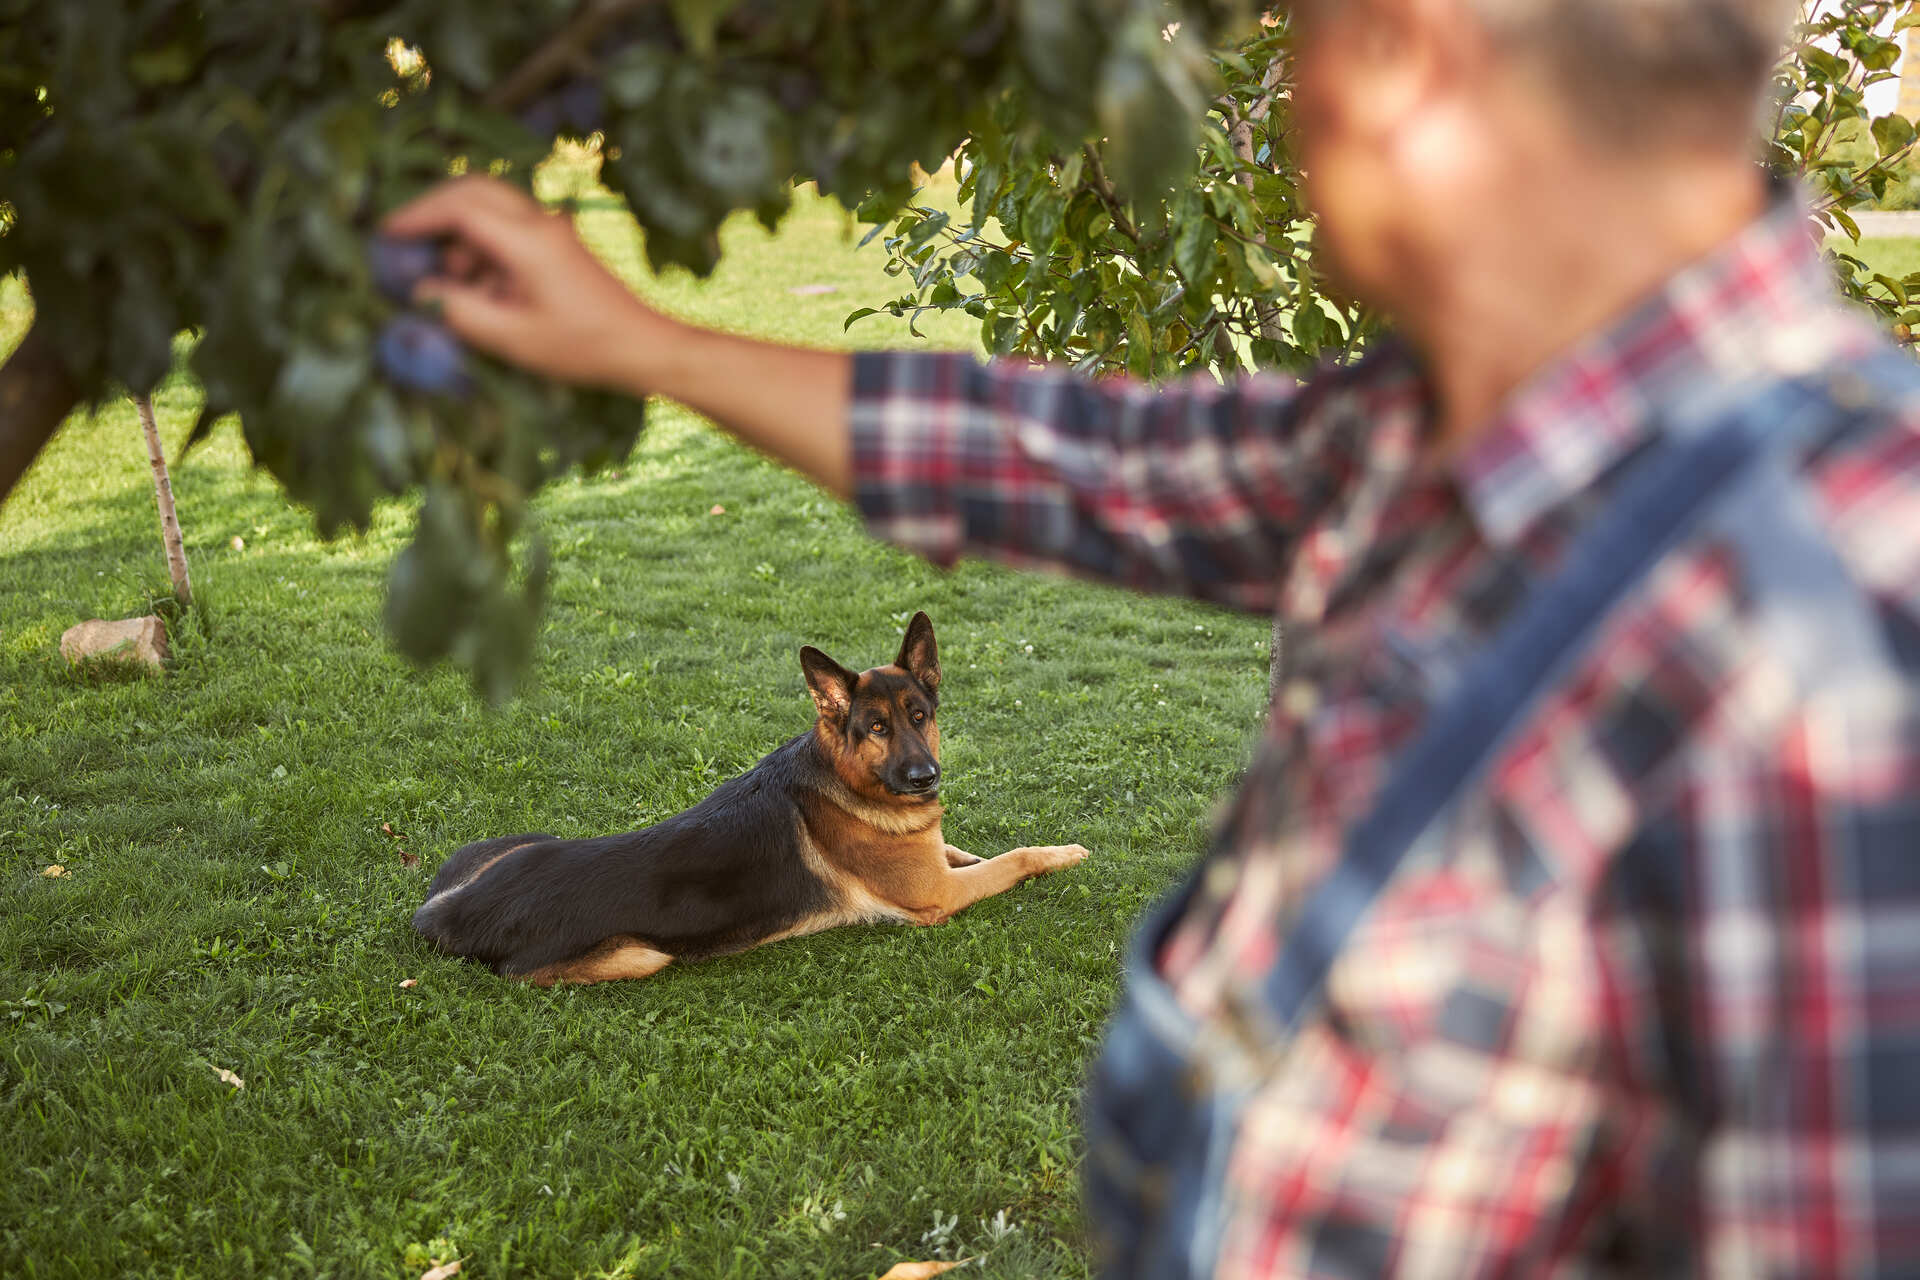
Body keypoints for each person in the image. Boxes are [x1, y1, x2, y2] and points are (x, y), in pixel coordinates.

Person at [386, 0, 1920, 1272]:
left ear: (1415, 60)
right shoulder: (1442, 416)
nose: (1281, 130)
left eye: (1302, 52)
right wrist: (636, 342)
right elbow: (1071, 458)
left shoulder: (1834, 606)